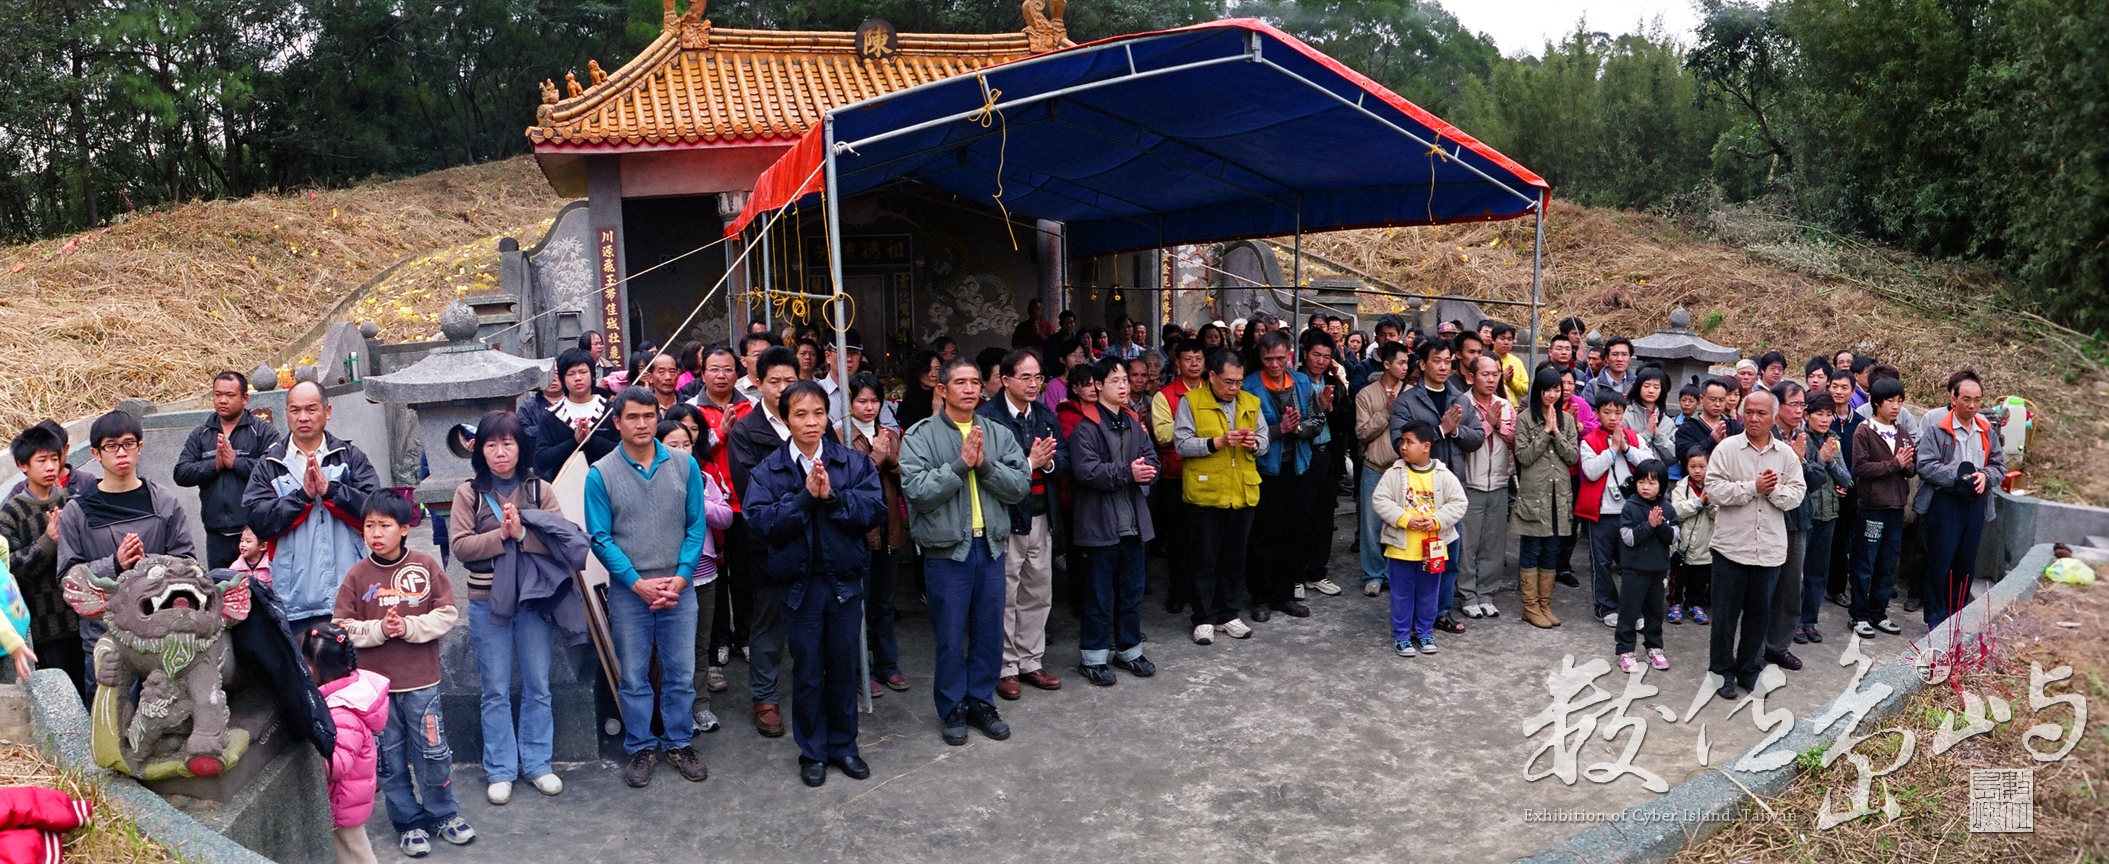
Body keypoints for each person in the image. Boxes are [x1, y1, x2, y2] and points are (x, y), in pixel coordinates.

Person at [743, 380, 886, 787]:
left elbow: (874, 509)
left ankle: (844, 745)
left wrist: (835, 499)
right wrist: (805, 498)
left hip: (843, 581)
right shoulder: (769, 469)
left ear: (829, 415)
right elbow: (760, 522)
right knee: (807, 669)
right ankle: (812, 750)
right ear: (786, 419)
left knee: (843, 667)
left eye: (819, 413)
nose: (811, 422)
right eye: (800, 414)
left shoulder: (852, 463)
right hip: (798, 585)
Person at [584, 388, 715, 788]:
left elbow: (695, 526)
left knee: (680, 671)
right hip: (630, 590)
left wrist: (681, 574)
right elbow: (600, 538)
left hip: (680, 586)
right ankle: (640, 746)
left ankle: (679, 742)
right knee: (635, 676)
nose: (641, 424)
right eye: (632, 417)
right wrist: (636, 583)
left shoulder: (683, 464)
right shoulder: (600, 473)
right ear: (617, 422)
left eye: (648, 416)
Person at [331, 493, 473, 856]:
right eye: (369, 526)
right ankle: (408, 821)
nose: (375, 533)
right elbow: (341, 625)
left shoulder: (425, 565)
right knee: (387, 758)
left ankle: (443, 813)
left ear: (405, 529)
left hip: (422, 684)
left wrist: (407, 626)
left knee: (433, 750)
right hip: (375, 691)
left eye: (385, 525)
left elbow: (447, 614)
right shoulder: (358, 575)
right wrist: (379, 629)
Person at [899, 358, 1030, 745]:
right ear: (942, 389)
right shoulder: (920, 436)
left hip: (990, 547)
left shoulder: (996, 432)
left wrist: (984, 465)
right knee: (951, 636)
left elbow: (1019, 485)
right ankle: (952, 706)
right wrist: (960, 465)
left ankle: (981, 702)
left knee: (990, 632)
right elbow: (918, 493)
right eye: (960, 382)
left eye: (975, 381)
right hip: (947, 553)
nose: (970, 389)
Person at [446, 412, 569, 805]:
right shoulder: (469, 493)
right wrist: (500, 536)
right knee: (495, 689)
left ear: (521, 448)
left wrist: (521, 533)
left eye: (508, 443)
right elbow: (462, 547)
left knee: (538, 684)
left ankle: (537, 763)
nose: (501, 453)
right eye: (492, 444)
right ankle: (500, 768)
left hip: (532, 601)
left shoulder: (539, 491)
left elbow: (560, 541)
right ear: (480, 450)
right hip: (486, 603)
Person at [57, 412, 198, 695]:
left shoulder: (163, 502)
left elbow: (189, 564)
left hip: (159, 637)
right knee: (109, 728)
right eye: (111, 445)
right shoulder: (77, 510)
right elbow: (67, 580)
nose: (121, 452)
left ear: (140, 447)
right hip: (104, 638)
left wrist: (151, 566)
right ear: (96, 453)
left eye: (128, 443)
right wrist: (114, 564)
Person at [243, 380, 380, 636]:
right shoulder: (270, 464)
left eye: (311, 408)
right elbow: (259, 521)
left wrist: (331, 491)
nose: (303, 417)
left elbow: (375, 511)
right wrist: (302, 498)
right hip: (296, 598)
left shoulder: (348, 457)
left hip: (351, 594)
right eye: (295, 410)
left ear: (327, 412)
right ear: (286, 414)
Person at [975, 348, 1067, 700]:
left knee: (1038, 591)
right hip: (1006, 517)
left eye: (1038, 377)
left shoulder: (1044, 414)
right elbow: (987, 470)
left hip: (1041, 514)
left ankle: (1031, 661)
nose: (1033, 384)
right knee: (1005, 595)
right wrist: (1029, 463)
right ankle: (1005, 667)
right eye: (1025, 377)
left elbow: (1065, 457)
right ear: (1005, 380)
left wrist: (1048, 464)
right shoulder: (988, 417)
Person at [1705, 389, 1806, 700]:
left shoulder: (1786, 455)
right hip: (1731, 548)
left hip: (1770, 551)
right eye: (1749, 412)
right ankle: (1720, 671)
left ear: (1774, 417)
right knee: (1724, 615)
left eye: (1761, 413)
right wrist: (1753, 487)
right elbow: (1714, 490)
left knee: (1758, 615)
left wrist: (1771, 492)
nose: (1754, 418)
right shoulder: (1727, 449)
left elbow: (1797, 493)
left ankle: (1748, 669)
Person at [1066, 359, 1160, 685]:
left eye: (1125, 380)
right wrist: (1128, 473)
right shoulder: (1085, 428)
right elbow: (1086, 471)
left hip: (1133, 521)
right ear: (1097, 386)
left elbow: (1151, 459)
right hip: (1099, 524)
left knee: (1132, 591)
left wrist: (1147, 472)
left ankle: (1129, 650)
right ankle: (1092, 657)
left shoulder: (1133, 424)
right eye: (1115, 381)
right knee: (1097, 595)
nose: (1123, 386)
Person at [725, 346, 803, 738]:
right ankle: (765, 696)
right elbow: (754, 489)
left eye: (791, 380)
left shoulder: (813, 419)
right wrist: (807, 494)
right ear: (758, 384)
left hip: (816, 540)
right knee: (769, 623)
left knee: (813, 620)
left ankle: (813, 690)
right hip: (769, 541)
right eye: (775, 381)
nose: (784, 388)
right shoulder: (746, 431)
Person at [1389, 338, 1484, 631]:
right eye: (1437, 361)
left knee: (1446, 557)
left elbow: (1477, 436)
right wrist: (1441, 430)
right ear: (1422, 364)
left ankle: (1440, 612)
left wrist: (1455, 433)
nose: (1444, 367)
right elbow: (1398, 443)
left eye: (1448, 362)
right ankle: (1414, 616)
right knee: (1414, 559)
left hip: (1449, 491)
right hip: (1416, 494)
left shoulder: (1460, 399)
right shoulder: (1408, 401)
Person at [1173, 349, 1264, 645]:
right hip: (1205, 493)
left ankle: (1229, 613)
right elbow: (1182, 444)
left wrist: (1253, 443)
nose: (1234, 388)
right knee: (1204, 559)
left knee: (1235, 558)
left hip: (1242, 491)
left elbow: (1263, 442)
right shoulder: (1191, 402)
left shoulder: (1251, 402)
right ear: (1211, 376)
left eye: (1238, 382)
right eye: (1228, 381)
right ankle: (1203, 617)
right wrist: (1218, 442)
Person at [1243, 330, 1328, 622]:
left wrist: (1298, 429)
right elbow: (1248, 436)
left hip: (1298, 467)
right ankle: (1261, 597)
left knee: (1295, 533)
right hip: (1266, 471)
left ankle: (1285, 595)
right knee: (1264, 536)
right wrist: (1280, 429)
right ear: (1261, 358)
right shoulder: (1249, 386)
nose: (1275, 365)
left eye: (1280, 358)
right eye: (1268, 359)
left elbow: (1317, 421)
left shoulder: (1303, 383)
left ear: (1290, 355)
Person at [0, 423, 87, 695]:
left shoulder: (74, 502)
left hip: (83, 619)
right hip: (43, 626)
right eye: (42, 460)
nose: (50, 467)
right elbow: (10, 570)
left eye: (54, 458)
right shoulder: (11, 513)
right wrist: (48, 541)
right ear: (22, 465)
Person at [1913, 369, 2002, 629]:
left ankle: (1956, 615)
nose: (1972, 405)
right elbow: (1926, 465)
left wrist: (1985, 476)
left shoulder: (1987, 431)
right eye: (1966, 399)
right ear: (1953, 399)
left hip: (1975, 502)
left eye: (1977, 399)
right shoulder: (1937, 429)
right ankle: (1934, 618)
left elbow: (1999, 466)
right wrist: (1959, 476)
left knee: (1965, 561)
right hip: (1945, 501)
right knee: (1940, 560)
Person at [839, 374, 911, 694]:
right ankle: (857, 669)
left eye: (874, 401)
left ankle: (887, 664)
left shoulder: (890, 435)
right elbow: (847, 484)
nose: (869, 408)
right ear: (849, 403)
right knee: (860, 602)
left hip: (889, 526)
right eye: (861, 401)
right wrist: (875, 460)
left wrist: (889, 457)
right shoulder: (841, 437)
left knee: (884, 601)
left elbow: (908, 479)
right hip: (859, 532)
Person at [1373, 421, 1468, 656]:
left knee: (1428, 593)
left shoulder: (1443, 475)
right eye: (1402, 441)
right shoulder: (1394, 473)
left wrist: (1437, 520)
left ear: (1426, 446)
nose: (1402, 446)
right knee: (1401, 594)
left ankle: (1425, 632)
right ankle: (1402, 635)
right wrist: (1404, 519)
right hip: (1401, 548)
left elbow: (1459, 503)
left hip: (1433, 549)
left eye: (1409, 442)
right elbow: (1380, 500)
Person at [174, 371, 282, 569]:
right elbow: (181, 473)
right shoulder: (201, 434)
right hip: (217, 536)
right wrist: (213, 465)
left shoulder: (262, 431)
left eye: (230, 395)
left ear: (245, 398)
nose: (222, 400)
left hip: (255, 533)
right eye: (217, 394)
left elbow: (276, 470)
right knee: (222, 592)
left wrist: (236, 463)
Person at [308, 622, 387, 864]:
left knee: (358, 853)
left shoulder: (341, 711)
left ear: (313, 669)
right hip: (348, 797)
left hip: (345, 800)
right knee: (346, 853)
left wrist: (309, 762)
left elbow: (339, 763)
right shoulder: (348, 693)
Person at [1512, 369, 1579, 629]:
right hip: (1534, 496)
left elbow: (1573, 457)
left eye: (1557, 390)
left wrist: (1557, 433)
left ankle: (1544, 604)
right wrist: (1544, 432)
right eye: (1547, 390)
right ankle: (1530, 608)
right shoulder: (1525, 419)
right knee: (1531, 551)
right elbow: (1524, 457)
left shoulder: (1569, 421)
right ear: (1538, 391)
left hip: (1558, 497)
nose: (1553, 395)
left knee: (1552, 551)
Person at [1578, 391, 1649, 627]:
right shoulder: (1589, 440)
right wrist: (1612, 450)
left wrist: (1626, 448)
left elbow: (1649, 466)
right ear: (1597, 413)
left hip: (1631, 513)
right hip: (1601, 512)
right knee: (1602, 563)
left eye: (1618, 412)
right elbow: (1591, 471)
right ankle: (1605, 607)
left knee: (1632, 564)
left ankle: (1634, 609)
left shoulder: (1635, 438)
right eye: (1606, 412)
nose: (1613, 417)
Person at [1849, 378, 1913, 637]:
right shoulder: (1864, 431)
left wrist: (1906, 464)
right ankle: (1859, 615)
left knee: (1887, 563)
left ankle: (1879, 613)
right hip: (1872, 507)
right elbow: (1861, 468)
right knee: (1865, 562)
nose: (1896, 407)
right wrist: (1896, 464)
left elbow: (1911, 467)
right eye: (1890, 401)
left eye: (1899, 401)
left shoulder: (1902, 432)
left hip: (1895, 507)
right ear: (1876, 403)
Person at [1149, 340, 1206, 611]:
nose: (1193, 364)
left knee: (1204, 538)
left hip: (1208, 473)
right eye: (1188, 359)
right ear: (1177, 363)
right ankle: (1178, 590)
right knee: (1178, 539)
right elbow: (1161, 435)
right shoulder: (1165, 395)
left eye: (1198, 358)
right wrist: (1199, 425)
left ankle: (1202, 592)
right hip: (1175, 475)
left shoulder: (1213, 390)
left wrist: (1185, 428)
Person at [1353, 342, 1414, 598]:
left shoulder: (1412, 393)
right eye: (1400, 362)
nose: (1405, 367)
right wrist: (1386, 413)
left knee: (1400, 524)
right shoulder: (1366, 394)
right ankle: (1373, 574)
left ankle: (1395, 573)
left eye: (1407, 363)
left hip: (1403, 470)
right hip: (1374, 468)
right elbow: (1362, 432)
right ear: (1386, 364)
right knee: (1371, 524)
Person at [1455, 354, 1514, 618]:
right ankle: (1467, 594)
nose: (1491, 380)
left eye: (1496, 374)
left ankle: (1486, 593)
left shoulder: (1505, 404)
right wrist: (1488, 424)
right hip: (1471, 483)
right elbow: (1463, 441)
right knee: (1468, 543)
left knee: (1493, 542)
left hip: (1499, 482)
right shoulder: (1462, 404)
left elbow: (1514, 441)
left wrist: (1503, 427)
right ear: (1471, 376)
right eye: (1485, 374)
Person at [1793, 395, 1853, 646]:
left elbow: (1847, 480)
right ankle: (1794, 621)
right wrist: (1822, 459)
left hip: (1829, 514)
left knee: (1818, 571)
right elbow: (1800, 476)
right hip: (1805, 514)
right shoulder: (1800, 440)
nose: (1824, 419)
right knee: (1798, 572)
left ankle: (1810, 620)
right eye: (1819, 414)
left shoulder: (1834, 442)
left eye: (1829, 414)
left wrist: (1828, 462)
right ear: (1807, 415)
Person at [1614, 460, 1678, 672]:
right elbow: (1628, 538)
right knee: (1629, 612)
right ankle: (1625, 650)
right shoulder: (1630, 507)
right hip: (1634, 570)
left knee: (1654, 612)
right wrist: (1648, 525)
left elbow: (1674, 537)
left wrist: (1660, 527)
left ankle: (1654, 647)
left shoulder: (1667, 508)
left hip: (1658, 569)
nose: (1645, 486)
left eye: (1651, 482)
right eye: (1641, 481)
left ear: (1662, 485)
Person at [1298, 333, 1349, 599]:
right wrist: (1315, 408)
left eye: (1326, 356)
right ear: (1305, 354)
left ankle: (1317, 571)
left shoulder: (1334, 384)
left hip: (1326, 454)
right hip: (1300, 454)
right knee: (1299, 515)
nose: (1320, 361)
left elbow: (1347, 421)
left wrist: (1329, 410)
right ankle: (1295, 574)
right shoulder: (1294, 381)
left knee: (1323, 515)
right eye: (1316, 355)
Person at [534, 348, 622, 480]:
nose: (578, 378)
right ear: (563, 379)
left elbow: (623, 451)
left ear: (592, 375)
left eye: (583, 372)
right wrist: (574, 442)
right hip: (567, 491)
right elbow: (541, 460)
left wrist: (591, 440)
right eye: (571, 374)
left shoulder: (610, 410)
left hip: (609, 483)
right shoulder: (552, 416)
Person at [1668, 448, 1715, 627]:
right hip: (1682, 545)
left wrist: (1710, 505)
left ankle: (1696, 605)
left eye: (1702, 466)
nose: (1697, 471)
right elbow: (1676, 511)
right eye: (1693, 466)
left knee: (1700, 580)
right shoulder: (1681, 487)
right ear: (1685, 467)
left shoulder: (1714, 488)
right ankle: (1675, 604)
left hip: (1704, 546)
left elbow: (1720, 515)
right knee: (1677, 578)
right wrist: (1697, 503)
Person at [1674, 378, 1743, 464]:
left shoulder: (1732, 425)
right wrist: (1711, 441)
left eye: (1721, 400)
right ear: (1701, 399)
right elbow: (1684, 455)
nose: (1717, 404)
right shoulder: (1687, 427)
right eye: (1713, 399)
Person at [1624, 367, 1678, 466]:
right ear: (1638, 387)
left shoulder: (1666, 421)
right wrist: (1647, 434)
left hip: (1657, 477)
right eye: (1646, 386)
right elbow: (1623, 449)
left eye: (1656, 387)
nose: (1651, 391)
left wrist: (1658, 435)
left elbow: (1674, 457)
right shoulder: (1626, 416)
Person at [734, 332, 781, 406]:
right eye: (757, 355)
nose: (764, 358)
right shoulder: (735, 390)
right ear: (744, 361)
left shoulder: (782, 386)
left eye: (767, 353)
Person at [1587, 338, 1636, 403]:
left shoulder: (1637, 385)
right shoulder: (1594, 385)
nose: (1620, 359)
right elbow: (1587, 411)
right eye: (1615, 354)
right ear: (1607, 358)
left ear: (1630, 359)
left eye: (1624, 354)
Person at [1491, 323, 1530, 406]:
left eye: (1509, 339)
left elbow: (1525, 389)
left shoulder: (1516, 362)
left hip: (1512, 409)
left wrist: (1511, 381)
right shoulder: (1486, 359)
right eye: (1502, 339)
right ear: (1493, 340)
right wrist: (1502, 379)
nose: (1506, 342)